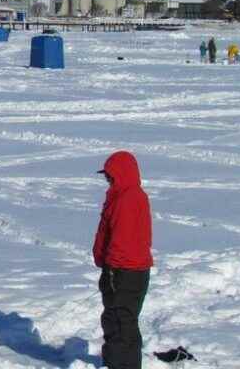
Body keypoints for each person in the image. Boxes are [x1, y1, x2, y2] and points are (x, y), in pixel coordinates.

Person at [93, 151, 153, 369]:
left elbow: (121, 238)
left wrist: (111, 271)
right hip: (130, 270)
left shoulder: (126, 199)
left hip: (124, 271)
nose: (107, 180)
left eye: (110, 176)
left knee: (119, 324)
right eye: (106, 176)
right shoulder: (128, 195)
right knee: (122, 322)